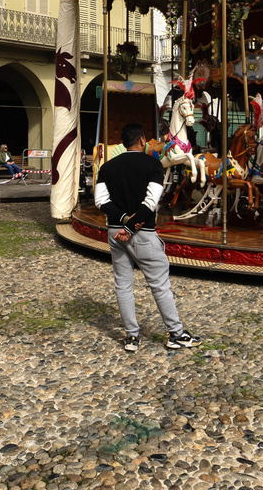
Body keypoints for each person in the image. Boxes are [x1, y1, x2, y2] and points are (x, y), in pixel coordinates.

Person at [94, 122, 200, 352]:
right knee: (159, 285)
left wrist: (123, 221)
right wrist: (131, 227)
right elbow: (150, 203)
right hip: (142, 233)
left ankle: (132, 337)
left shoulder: (108, 167)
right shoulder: (153, 165)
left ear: (124, 142)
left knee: (123, 285)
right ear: (142, 140)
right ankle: (176, 334)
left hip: (115, 231)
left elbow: (101, 201)